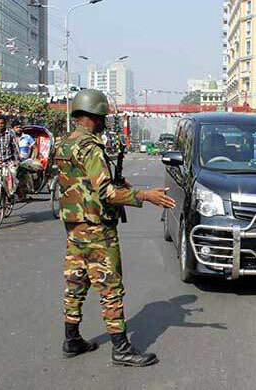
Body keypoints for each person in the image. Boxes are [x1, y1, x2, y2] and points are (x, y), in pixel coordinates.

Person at [54, 89, 175, 367]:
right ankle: (121, 347)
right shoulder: (90, 148)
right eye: (103, 117)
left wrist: (121, 187)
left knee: (76, 282)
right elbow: (106, 193)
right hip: (97, 228)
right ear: (95, 116)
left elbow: (80, 185)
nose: (104, 122)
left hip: (75, 227)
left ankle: (71, 339)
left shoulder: (64, 144)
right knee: (110, 287)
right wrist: (145, 196)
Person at [0, 115, 21, 197]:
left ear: (5, 123)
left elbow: (15, 147)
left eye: (2, 123)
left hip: (10, 161)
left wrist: (17, 160)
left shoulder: (10, 133)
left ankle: (11, 195)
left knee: (12, 177)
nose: (0, 125)